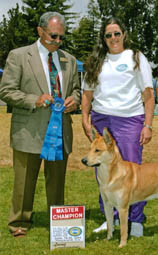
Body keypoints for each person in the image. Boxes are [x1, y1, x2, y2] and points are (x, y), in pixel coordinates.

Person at [0, 12, 81, 237]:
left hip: (60, 130)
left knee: (57, 181)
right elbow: (6, 91)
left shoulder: (70, 60)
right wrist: (32, 100)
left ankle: (58, 221)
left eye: (61, 38)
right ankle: (19, 221)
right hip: (28, 130)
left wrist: (74, 100)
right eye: (53, 36)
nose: (57, 41)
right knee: (24, 181)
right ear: (40, 31)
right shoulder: (18, 56)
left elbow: (75, 89)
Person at [81, 17, 154, 237]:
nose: (113, 38)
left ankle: (136, 220)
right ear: (103, 39)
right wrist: (85, 118)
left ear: (124, 34)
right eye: (108, 35)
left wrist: (147, 125)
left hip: (130, 119)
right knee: (103, 170)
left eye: (116, 33)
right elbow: (87, 94)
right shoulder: (96, 61)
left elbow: (149, 94)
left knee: (133, 171)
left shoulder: (136, 57)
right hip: (101, 118)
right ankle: (109, 218)